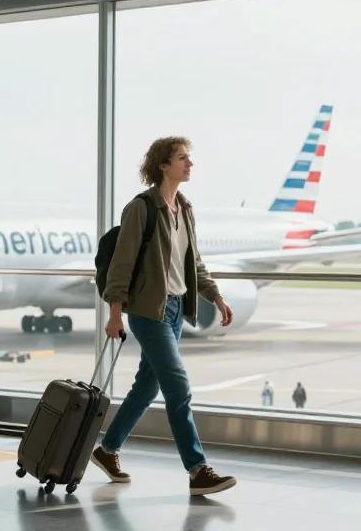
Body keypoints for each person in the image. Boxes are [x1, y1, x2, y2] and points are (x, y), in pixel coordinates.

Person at [91, 136, 237, 496]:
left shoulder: (184, 209)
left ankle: (107, 450)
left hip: (175, 310)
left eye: (190, 158)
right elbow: (121, 268)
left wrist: (216, 296)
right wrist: (114, 314)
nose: (190, 164)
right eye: (183, 158)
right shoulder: (141, 208)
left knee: (147, 386)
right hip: (147, 311)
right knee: (178, 387)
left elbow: (194, 263)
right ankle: (197, 469)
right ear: (163, 165)